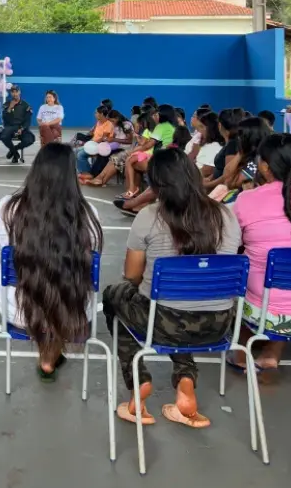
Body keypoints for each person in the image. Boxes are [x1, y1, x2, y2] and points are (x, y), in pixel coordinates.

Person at [103, 148, 242, 429]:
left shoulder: (149, 216)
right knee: (184, 305)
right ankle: (186, 382)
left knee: (115, 298)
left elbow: (131, 275)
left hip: (163, 320)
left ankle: (138, 383)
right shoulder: (226, 215)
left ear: (156, 183)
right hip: (219, 323)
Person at [0, 143, 102, 380]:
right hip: (73, 313)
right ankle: (49, 357)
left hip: (17, 311)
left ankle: (47, 356)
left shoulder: (8, 208)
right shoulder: (89, 213)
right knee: (59, 286)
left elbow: (6, 250)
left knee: (20, 272)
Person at [230, 133, 291, 372]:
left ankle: (240, 351)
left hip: (262, 309)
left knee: (244, 272)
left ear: (265, 167)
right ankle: (271, 353)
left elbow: (231, 246)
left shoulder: (246, 200)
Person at [122, 104, 177, 199]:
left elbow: (148, 145)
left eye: (156, 115)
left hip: (160, 159)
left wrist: (132, 151)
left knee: (129, 161)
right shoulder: (172, 126)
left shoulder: (161, 127)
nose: (153, 117)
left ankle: (131, 189)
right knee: (132, 161)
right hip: (168, 157)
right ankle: (134, 189)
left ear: (163, 115)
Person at [203, 107, 245, 193]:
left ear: (220, 125)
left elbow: (228, 175)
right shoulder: (229, 143)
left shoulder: (233, 144)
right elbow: (220, 169)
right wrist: (209, 179)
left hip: (222, 190)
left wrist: (207, 185)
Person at [76, 105, 115, 179]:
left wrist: (89, 143)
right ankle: (84, 171)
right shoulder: (98, 122)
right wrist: (88, 139)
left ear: (102, 114)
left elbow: (103, 139)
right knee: (75, 151)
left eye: (96, 113)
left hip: (100, 146)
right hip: (93, 143)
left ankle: (87, 173)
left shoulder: (108, 124)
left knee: (80, 155)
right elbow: (95, 135)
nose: (95, 114)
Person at [0, 85, 35, 163]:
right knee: (3, 136)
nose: (15, 94)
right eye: (13, 92)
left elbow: (27, 120)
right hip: (10, 127)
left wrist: (22, 128)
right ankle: (15, 154)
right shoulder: (6, 104)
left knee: (30, 139)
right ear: (11, 93)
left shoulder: (26, 105)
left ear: (20, 92)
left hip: (22, 127)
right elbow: (4, 118)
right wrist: (10, 108)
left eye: (16, 91)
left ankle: (14, 150)